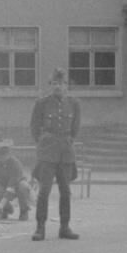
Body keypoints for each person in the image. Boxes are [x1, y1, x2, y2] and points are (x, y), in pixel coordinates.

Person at [30, 68, 81, 241]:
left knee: (65, 191)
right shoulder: (41, 103)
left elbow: (75, 129)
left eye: (61, 83)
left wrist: (68, 141)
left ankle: (64, 227)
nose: (57, 86)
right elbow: (34, 127)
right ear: (50, 85)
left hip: (66, 153)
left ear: (66, 85)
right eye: (54, 83)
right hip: (47, 153)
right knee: (44, 191)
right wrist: (43, 143)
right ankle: (40, 227)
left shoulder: (74, 104)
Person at [0, 139, 31, 220]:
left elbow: (12, 185)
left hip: (17, 184)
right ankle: (6, 210)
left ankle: (24, 210)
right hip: (2, 184)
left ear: (9, 155)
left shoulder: (15, 164)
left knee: (23, 187)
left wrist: (1, 204)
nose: (0, 158)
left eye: (3, 155)